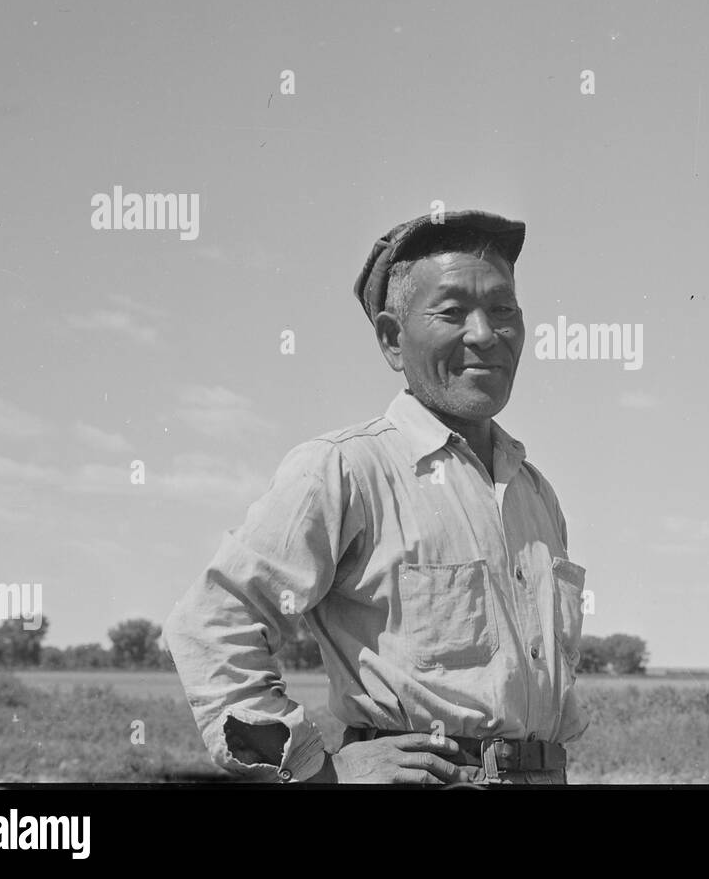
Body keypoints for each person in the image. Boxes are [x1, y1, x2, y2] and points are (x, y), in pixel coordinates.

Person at [165, 209, 588, 784]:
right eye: (453, 311)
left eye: (503, 309)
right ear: (393, 339)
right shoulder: (345, 469)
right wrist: (316, 772)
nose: (485, 334)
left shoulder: (535, 492)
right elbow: (212, 622)